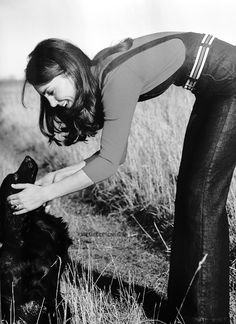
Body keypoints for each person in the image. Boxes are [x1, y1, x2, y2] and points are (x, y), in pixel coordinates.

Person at [7, 31, 236, 323]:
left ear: (69, 70)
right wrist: (58, 177)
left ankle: (205, 318)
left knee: (201, 199)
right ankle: (181, 308)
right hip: (214, 89)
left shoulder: (116, 77)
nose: (51, 103)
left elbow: (110, 162)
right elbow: (116, 152)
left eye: (51, 91)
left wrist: (45, 194)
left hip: (231, 83)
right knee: (191, 197)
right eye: (44, 97)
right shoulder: (98, 73)